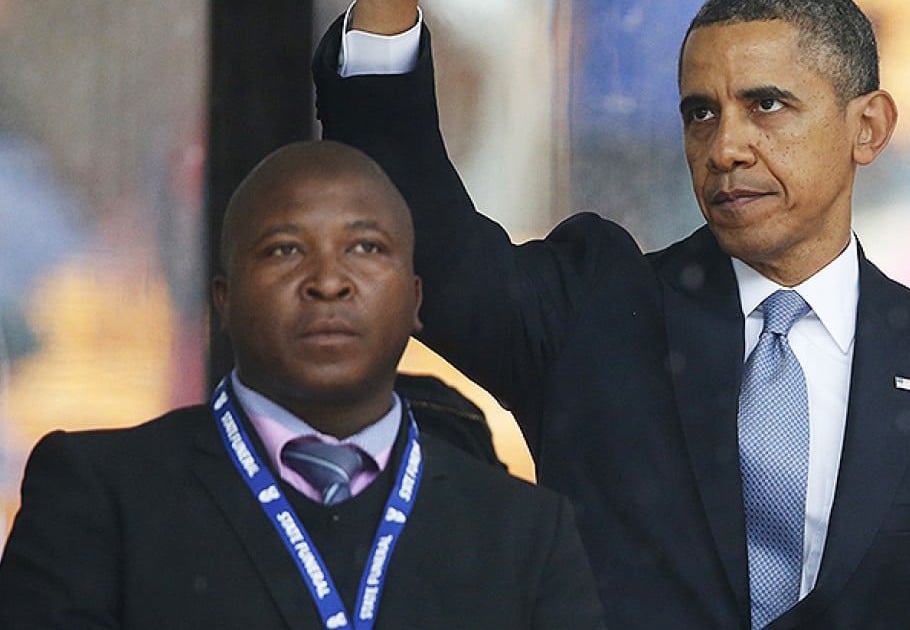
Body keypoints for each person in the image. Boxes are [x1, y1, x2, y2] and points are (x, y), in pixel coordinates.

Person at [311, 0, 910, 628]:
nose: (725, 148)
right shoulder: (597, 313)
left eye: (766, 105)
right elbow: (424, 241)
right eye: (700, 113)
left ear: (868, 128)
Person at [0, 140, 605, 629]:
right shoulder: (100, 494)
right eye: (285, 249)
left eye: (365, 247)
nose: (328, 281)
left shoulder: (524, 531)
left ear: (416, 300)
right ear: (225, 301)